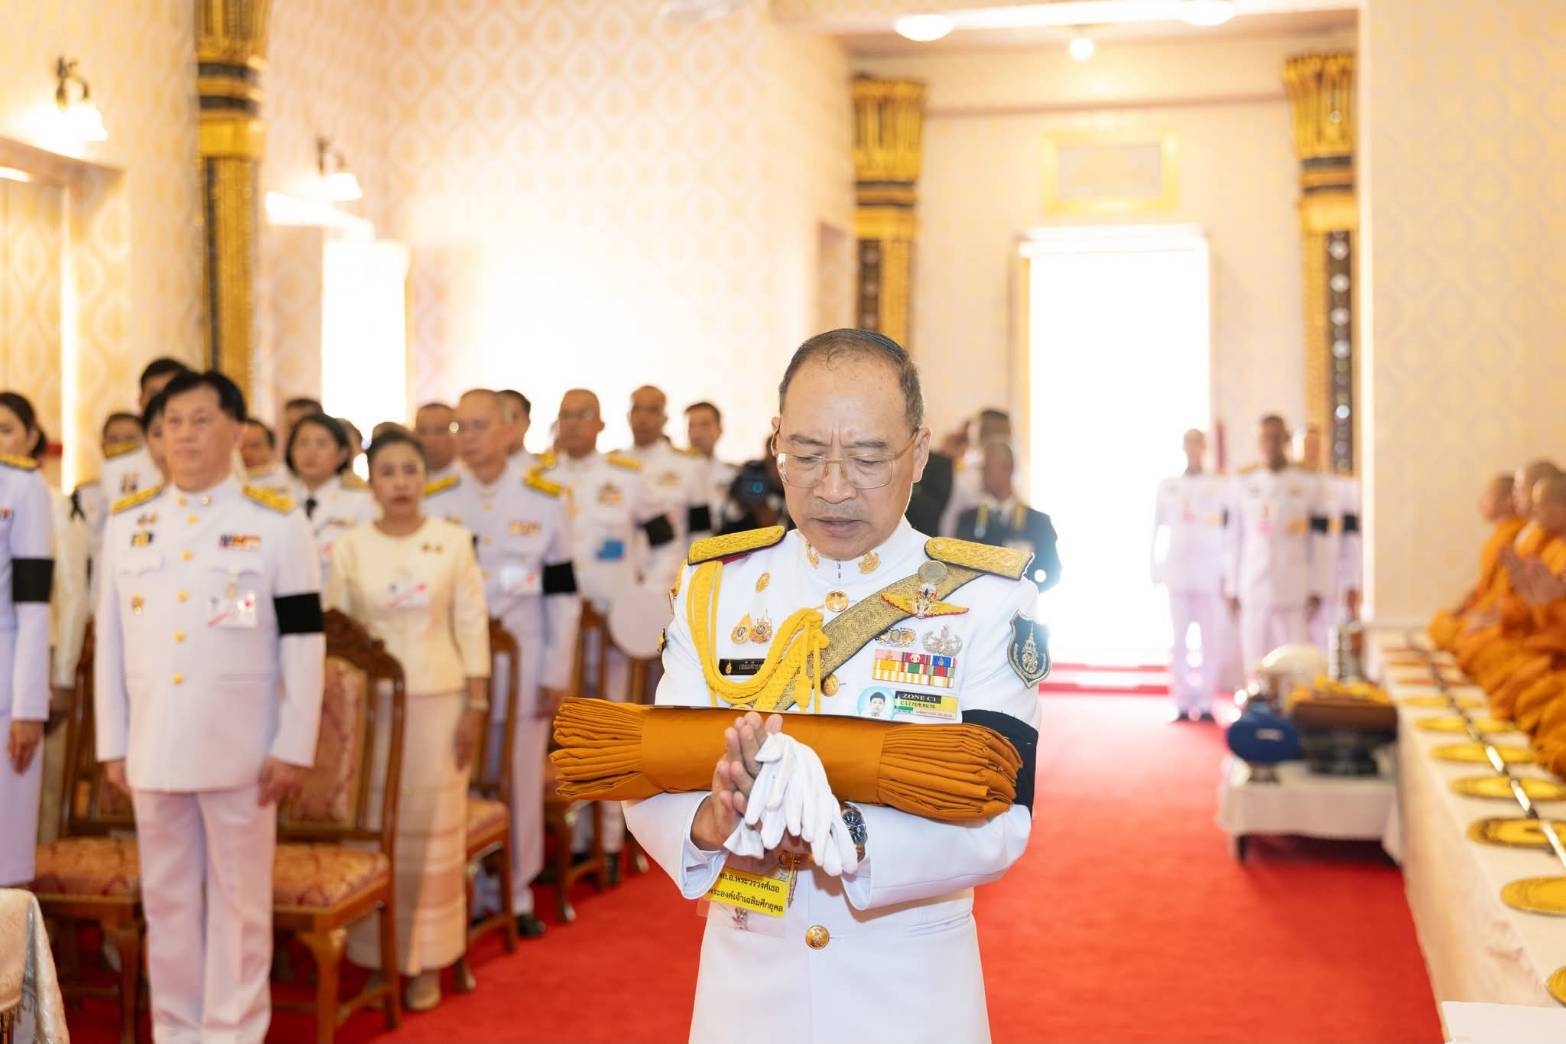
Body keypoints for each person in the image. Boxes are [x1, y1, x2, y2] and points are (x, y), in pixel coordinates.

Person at [625, 328, 1042, 1044]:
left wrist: (848, 833)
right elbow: (655, 774)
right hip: (747, 984)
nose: (834, 486)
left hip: (909, 987)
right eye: (808, 454)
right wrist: (705, 824)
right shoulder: (714, 588)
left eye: (869, 458)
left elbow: (1000, 814)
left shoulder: (986, 600)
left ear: (918, 453)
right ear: (775, 442)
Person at [95, 369, 324, 1041]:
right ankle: (175, 1029)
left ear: (235, 431)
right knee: (166, 902)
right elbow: (109, 639)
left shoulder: (276, 524)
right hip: (155, 747)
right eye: (172, 423)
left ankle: (233, 1029)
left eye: (200, 420)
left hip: (242, 750)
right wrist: (114, 743)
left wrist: (294, 743)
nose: (185, 435)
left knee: (239, 903)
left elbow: (306, 642)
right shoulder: (128, 524)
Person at [326, 430, 491, 1011]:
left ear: (425, 479)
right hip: (371, 713)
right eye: (388, 472)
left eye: (409, 471)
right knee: (376, 829)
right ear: (371, 481)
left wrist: (476, 704)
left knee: (430, 833)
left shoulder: (451, 542)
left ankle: (425, 961)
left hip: (439, 702)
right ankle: (376, 958)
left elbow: (472, 624)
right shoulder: (349, 548)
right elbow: (336, 636)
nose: (399, 482)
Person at [430, 389, 580, 936]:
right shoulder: (439, 497)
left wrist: (555, 672)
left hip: (527, 659)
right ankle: (465, 887)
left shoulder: (543, 498)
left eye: (478, 426)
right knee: (462, 776)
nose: (468, 437)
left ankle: (516, 891)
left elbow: (563, 593)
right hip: (456, 665)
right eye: (460, 427)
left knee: (516, 774)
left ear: (507, 430)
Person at [537, 389, 680, 871]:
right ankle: (566, 836)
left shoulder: (625, 480)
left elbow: (666, 541)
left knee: (611, 729)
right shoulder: (537, 480)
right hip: (550, 627)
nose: (573, 424)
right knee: (557, 729)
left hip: (612, 625)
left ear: (600, 425)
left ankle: (612, 839)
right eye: (565, 416)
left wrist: (647, 592)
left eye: (583, 416)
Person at [0, 395, 88, 846]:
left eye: (5, 428)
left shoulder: (35, 493)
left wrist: (41, 694)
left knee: (22, 826)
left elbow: (53, 601)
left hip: (22, 672)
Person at [1225, 415, 1332, 672]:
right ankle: (1255, 711)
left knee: (1293, 663)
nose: (1270, 444)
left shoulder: (1308, 482)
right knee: (1255, 662)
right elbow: (1233, 539)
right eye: (1264, 439)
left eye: (1275, 438)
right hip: (1254, 584)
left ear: (1285, 439)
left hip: (1293, 585)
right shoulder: (1244, 483)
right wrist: (1231, 586)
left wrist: (1318, 585)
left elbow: (1319, 541)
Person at [0, 394, 55, 885]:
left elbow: (35, 608)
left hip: (5, 693)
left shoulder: (21, 485)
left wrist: (28, 708)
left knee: (3, 858)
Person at [1151, 429, 1229, 723]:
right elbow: (1156, 529)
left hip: (1210, 573)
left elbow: (1229, 532)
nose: (1194, 449)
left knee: (1210, 640)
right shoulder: (1169, 486)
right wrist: (1154, 569)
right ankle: (1182, 701)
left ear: (1205, 448)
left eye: (1199, 444)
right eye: (1190, 443)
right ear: (1184, 447)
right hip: (1178, 571)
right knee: (1179, 641)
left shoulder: (1219, 485)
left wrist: (1228, 574)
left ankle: (1207, 701)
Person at [76, 359, 188, 557]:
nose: (163, 400)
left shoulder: (218, 455)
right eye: (154, 393)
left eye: (171, 390)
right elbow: (102, 538)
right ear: (141, 400)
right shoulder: (119, 466)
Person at [1430, 472, 1525, 649]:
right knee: (1440, 623)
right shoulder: (1502, 535)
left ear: (1508, 501)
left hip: (1509, 618)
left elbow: (1514, 592)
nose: (1481, 502)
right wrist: (1466, 606)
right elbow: (1487, 584)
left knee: (1471, 641)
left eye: (1487, 495)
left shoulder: (1517, 536)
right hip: (1492, 608)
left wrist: (1492, 616)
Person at [955, 440, 1060, 592]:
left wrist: (1027, 594)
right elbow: (959, 568)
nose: (982, 473)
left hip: (1020, 612)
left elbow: (1052, 572)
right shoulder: (968, 520)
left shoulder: (1038, 522)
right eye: (982, 468)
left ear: (1008, 468)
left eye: (988, 467)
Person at [286, 412, 377, 583]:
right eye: (303, 443)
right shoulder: (278, 500)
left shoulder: (361, 501)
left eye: (321, 444)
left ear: (342, 454)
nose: (310, 452)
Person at [1296, 423, 1362, 647]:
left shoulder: (1342, 488)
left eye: (1315, 445)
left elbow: (1351, 540)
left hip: (1330, 582)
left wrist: (1352, 582)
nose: (1311, 450)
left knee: (1326, 647)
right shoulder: (1287, 487)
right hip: (1293, 584)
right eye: (1306, 445)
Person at [622, 385, 709, 547]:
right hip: (621, 569)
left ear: (664, 419)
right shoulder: (615, 467)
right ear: (628, 416)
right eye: (637, 410)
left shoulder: (690, 465)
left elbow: (701, 533)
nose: (643, 418)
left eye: (652, 411)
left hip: (671, 568)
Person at [940, 408, 1011, 536]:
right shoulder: (964, 476)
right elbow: (950, 523)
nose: (1008, 441)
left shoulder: (1012, 469)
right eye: (1005, 434)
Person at [685, 401, 737, 538]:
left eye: (704, 425)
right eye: (691, 426)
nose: (696, 433)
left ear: (719, 430)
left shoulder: (731, 475)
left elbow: (736, 517)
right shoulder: (675, 473)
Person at [414, 402, 461, 488]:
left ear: (455, 435)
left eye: (440, 431)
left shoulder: (468, 480)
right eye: (422, 431)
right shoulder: (406, 481)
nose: (430, 440)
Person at [497, 389, 533, 467]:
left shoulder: (548, 473)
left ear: (527, 423)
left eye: (513, 417)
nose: (505, 425)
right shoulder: (468, 472)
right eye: (500, 418)